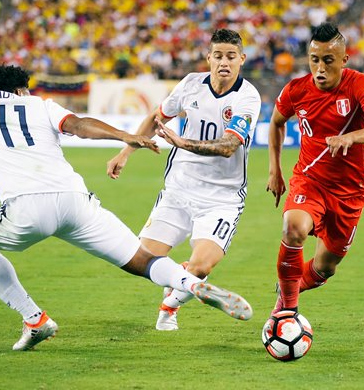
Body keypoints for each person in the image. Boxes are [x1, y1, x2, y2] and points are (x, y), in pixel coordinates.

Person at [0, 14, 252, 351]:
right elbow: (81, 125)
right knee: (141, 259)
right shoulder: (40, 104)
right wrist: (126, 138)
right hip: (77, 201)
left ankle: (33, 319)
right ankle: (190, 284)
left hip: (25, 207)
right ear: (20, 89)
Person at [107, 28, 261, 331]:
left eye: (231, 56)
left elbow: (229, 147)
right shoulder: (191, 84)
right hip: (179, 189)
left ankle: (171, 303)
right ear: (209, 58)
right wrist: (126, 151)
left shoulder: (247, 97)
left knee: (201, 266)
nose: (224, 62)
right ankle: (182, 282)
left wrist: (182, 143)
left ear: (242, 60)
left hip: (222, 197)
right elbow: (157, 117)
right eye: (218, 56)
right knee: (139, 260)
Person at [266, 22, 364, 316]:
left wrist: (350, 137)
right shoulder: (296, 90)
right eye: (314, 60)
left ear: (343, 60)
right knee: (293, 228)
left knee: (325, 268)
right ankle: (286, 314)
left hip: (349, 192)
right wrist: (275, 170)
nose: (320, 68)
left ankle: (289, 286)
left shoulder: (358, 84)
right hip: (309, 181)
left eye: (328, 60)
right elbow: (276, 123)